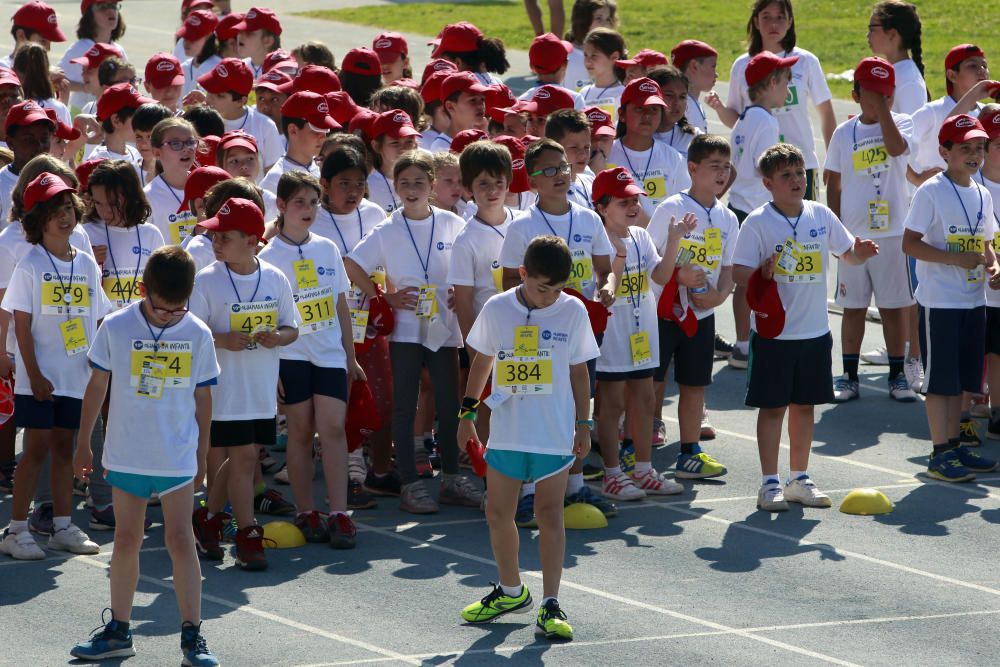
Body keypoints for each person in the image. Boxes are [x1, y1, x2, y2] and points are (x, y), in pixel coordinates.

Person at [69, 246, 220, 666]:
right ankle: (119, 629)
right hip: (127, 453)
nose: (168, 315)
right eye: (160, 308)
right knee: (126, 539)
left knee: (179, 539)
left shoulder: (198, 333)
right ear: (142, 290)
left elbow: (203, 398)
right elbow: (97, 387)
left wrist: (203, 454)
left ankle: (192, 635)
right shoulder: (116, 326)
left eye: (177, 310)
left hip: (175, 456)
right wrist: (84, 442)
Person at [458, 235, 599, 641]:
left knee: (550, 515)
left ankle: (551, 602)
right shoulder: (498, 308)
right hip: (508, 430)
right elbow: (482, 360)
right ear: (522, 274)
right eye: (542, 288)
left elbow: (578, 371)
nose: (549, 297)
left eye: (557, 288)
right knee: (497, 511)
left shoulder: (572, 311)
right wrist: (466, 413)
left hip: (553, 433)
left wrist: (584, 425)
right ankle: (510, 590)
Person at [732, 144, 879, 511]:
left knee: (804, 407)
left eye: (800, 173)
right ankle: (769, 482)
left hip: (815, 332)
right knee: (772, 408)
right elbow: (737, 272)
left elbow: (847, 253)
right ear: (768, 183)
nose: (797, 180)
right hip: (774, 333)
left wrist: (861, 251)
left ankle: (798, 477)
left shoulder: (821, 215)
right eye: (787, 175)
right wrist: (762, 273)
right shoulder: (758, 222)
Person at [345, 150, 482, 514]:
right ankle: (409, 483)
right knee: (404, 407)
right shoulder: (388, 228)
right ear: (395, 186)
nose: (411, 188)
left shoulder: (453, 223)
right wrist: (384, 296)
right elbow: (352, 264)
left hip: (444, 328)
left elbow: (467, 266)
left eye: (419, 182)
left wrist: (459, 290)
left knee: (451, 405)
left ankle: (452, 478)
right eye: (403, 182)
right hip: (406, 331)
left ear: (432, 185)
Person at [498, 138, 615, 517]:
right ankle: (530, 491)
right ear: (531, 181)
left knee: (580, 405)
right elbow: (506, 283)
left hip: (579, 328)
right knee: (537, 407)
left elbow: (604, 270)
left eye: (562, 166)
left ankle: (575, 486)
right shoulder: (522, 226)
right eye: (548, 170)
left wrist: (607, 289)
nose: (559, 175)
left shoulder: (588, 218)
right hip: (536, 332)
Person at [0, 172, 111, 559]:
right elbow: (22, 323)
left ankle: (63, 525)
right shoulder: (30, 262)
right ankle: (15, 529)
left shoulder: (84, 264)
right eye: (53, 210)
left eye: (68, 207)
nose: (64, 217)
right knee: (35, 449)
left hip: (76, 375)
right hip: (40, 378)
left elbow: (98, 318)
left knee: (65, 448)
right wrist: (33, 374)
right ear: (36, 219)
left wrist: (100, 367)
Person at [189, 197, 298, 570]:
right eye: (215, 237)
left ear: (253, 241)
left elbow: (291, 327)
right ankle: (247, 531)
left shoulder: (275, 277)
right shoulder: (206, 280)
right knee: (245, 456)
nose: (216, 244)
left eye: (226, 237)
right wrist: (221, 339)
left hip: (259, 387)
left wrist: (277, 338)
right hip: (223, 389)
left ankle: (209, 518)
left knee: (242, 455)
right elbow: (191, 332)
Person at [258, 172, 366, 547]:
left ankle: (339, 512)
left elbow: (340, 304)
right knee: (301, 432)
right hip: (291, 354)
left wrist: (351, 357)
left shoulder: (327, 248)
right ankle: (306, 511)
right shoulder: (267, 257)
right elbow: (266, 317)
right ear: (282, 206)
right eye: (299, 203)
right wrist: (270, 370)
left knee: (334, 429)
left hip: (330, 354)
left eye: (313, 202)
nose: (307, 210)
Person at [903, 115, 999, 482]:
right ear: (945, 152)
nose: (974, 154)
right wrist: (953, 259)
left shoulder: (982, 192)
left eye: (979, 147)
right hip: (940, 302)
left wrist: (994, 266)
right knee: (940, 381)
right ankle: (939, 452)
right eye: (965, 148)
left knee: (963, 380)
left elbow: (986, 243)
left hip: (973, 300)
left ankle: (956, 447)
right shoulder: (931, 191)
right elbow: (909, 243)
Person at [592, 167, 688, 500]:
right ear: (603, 207)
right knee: (612, 403)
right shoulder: (597, 240)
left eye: (635, 200)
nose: (633, 207)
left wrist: (674, 241)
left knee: (645, 399)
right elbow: (603, 284)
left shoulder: (641, 236)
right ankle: (613, 474)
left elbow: (659, 276)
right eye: (623, 202)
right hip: (613, 334)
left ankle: (644, 469)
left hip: (642, 331)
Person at [824, 58, 916, 403]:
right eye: (871, 93)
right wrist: (837, 233)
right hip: (854, 238)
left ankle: (898, 375)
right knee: (854, 307)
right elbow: (833, 183)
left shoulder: (901, 123)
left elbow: (895, 149)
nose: (879, 100)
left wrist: (885, 113)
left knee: (893, 308)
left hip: (893, 235)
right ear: (855, 95)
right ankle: (848, 375)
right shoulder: (843, 133)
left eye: (885, 94)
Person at [647, 134, 738, 479]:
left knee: (694, 384)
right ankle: (634, 448)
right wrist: (677, 276)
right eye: (714, 166)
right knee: (652, 382)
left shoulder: (728, 218)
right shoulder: (671, 208)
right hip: (664, 311)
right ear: (692, 168)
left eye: (726, 167)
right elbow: (649, 259)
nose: (721, 174)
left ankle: (689, 452)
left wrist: (719, 296)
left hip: (702, 314)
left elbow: (727, 268)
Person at [313, 145, 393, 509]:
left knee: (377, 397)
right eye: (344, 183)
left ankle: (378, 469)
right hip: (328, 326)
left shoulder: (377, 214)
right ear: (325, 184)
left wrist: (385, 297)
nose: (353, 191)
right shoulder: (312, 217)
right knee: (341, 402)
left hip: (372, 324)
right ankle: (350, 475)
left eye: (360, 183)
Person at [710, 0, 835, 203]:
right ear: (756, 22)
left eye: (780, 17)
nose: (773, 24)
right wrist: (721, 110)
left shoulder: (805, 61)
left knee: (803, 230)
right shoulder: (743, 65)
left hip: (800, 167)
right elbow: (738, 120)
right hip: (761, 173)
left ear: (790, 21)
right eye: (766, 17)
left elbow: (826, 112)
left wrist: (832, 159)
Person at [727, 50, 796, 370]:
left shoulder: (746, 117)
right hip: (755, 209)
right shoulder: (766, 121)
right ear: (770, 83)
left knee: (746, 281)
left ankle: (743, 343)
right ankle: (753, 342)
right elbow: (762, 166)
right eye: (785, 81)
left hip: (740, 204)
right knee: (756, 279)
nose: (789, 87)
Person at [607, 76, 691, 218]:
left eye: (653, 109)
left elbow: (686, 208)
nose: (647, 115)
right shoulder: (607, 155)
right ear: (622, 114)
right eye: (639, 108)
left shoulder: (674, 159)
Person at [197, 57, 283, 172]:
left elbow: (274, 172)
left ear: (241, 101)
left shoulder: (264, 126)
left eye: (220, 96)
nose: (209, 100)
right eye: (209, 92)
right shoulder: (198, 121)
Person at [258, 91, 339, 193]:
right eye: (316, 130)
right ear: (293, 130)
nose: (323, 137)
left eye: (325, 130)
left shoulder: (323, 169)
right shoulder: (275, 180)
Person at [59, 0, 129, 113]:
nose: (111, 11)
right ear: (89, 15)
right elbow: (56, 79)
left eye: (114, 5)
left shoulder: (119, 50)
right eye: (103, 7)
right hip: (81, 110)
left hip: (110, 111)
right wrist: (85, 88)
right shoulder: (81, 47)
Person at [144, 118, 199, 245]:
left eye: (190, 142)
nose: (187, 149)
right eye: (176, 143)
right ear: (157, 153)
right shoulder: (148, 197)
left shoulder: (205, 187)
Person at [867, 1, 927, 115]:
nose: (868, 35)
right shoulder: (896, 73)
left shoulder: (909, 82)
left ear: (892, 34)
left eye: (872, 29)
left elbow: (913, 131)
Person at [368, 109, 421, 212]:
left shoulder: (426, 181)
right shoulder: (368, 185)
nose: (404, 148)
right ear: (377, 146)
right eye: (395, 143)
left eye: (409, 142)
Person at [431, 21, 509, 86]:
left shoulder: (462, 90)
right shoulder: (497, 83)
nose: (441, 68)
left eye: (444, 62)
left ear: (458, 63)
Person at [562, 0, 617, 92]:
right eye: (598, 18)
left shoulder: (615, 52)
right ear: (583, 20)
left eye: (608, 19)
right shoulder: (567, 55)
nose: (604, 24)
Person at [671, 40, 719, 134]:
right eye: (713, 66)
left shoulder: (691, 102)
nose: (716, 74)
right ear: (694, 66)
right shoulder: (685, 105)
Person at [578, 28, 626, 123]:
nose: (588, 61)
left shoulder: (623, 93)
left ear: (614, 57)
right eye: (585, 55)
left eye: (594, 56)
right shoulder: (583, 93)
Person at [5, 1, 67, 68]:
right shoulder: (3, 69)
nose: (48, 48)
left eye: (50, 41)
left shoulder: (45, 69)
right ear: (21, 35)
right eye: (43, 41)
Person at [233, 7, 282, 79]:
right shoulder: (238, 68)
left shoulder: (284, 70)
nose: (240, 36)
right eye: (240, 31)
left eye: (248, 33)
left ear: (267, 41)